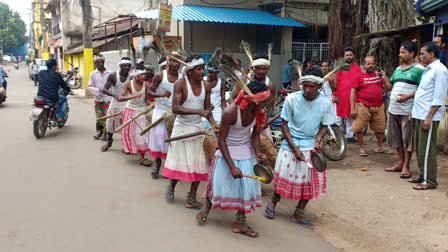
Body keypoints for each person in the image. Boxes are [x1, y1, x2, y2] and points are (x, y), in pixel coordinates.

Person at [197, 81, 270, 238]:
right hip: (226, 151)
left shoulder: (259, 112)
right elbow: (221, 140)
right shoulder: (230, 112)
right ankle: (208, 206)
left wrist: (257, 153)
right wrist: (231, 167)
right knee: (219, 184)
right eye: (264, 100)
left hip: (245, 151)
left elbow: (256, 135)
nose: (267, 103)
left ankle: (239, 223)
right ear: (254, 100)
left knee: (246, 188)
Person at [264, 66, 333, 231]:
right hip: (290, 145)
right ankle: (273, 201)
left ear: (319, 86)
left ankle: (298, 213)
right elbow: (284, 124)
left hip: (311, 147)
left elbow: (325, 125)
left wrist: (320, 137)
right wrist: (294, 148)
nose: (307, 90)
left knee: (310, 183)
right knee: (284, 179)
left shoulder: (325, 103)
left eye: (311, 87)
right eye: (304, 86)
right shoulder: (291, 99)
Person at [163, 56, 218, 209]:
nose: (203, 72)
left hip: (198, 128)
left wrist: (213, 124)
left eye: (203, 68)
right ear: (190, 71)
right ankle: (172, 185)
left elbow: (207, 109)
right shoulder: (181, 83)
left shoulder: (206, 86)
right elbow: (176, 108)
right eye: (199, 69)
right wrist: (200, 111)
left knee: (200, 165)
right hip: (181, 127)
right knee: (180, 163)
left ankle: (191, 198)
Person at [381, 42, 425, 178]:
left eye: (403, 52)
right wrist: (384, 78)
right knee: (395, 138)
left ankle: (406, 165)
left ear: (412, 54)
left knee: (407, 140)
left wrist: (408, 96)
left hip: (408, 111)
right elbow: (390, 87)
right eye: (400, 52)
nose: (400, 55)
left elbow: (422, 89)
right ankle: (400, 162)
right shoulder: (398, 69)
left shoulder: (419, 69)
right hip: (393, 109)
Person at [408, 42, 448, 190]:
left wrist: (430, 116)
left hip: (428, 116)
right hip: (420, 114)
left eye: (423, 53)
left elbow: (439, 96)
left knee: (426, 149)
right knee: (419, 148)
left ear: (431, 54)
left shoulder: (440, 70)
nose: (420, 56)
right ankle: (422, 175)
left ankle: (430, 181)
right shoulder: (428, 69)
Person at [147, 52, 183, 179]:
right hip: (161, 111)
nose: (176, 64)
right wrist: (161, 95)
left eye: (178, 61)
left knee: (172, 141)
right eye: (173, 61)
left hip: (176, 112)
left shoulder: (183, 77)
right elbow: (149, 92)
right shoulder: (160, 76)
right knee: (159, 140)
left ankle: (169, 167)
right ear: (168, 62)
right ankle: (157, 165)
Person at [350, 56, 388, 157]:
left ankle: (379, 146)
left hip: (379, 105)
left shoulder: (379, 75)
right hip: (363, 105)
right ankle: (362, 148)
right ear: (364, 65)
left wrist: (384, 77)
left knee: (381, 129)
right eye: (368, 64)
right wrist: (352, 109)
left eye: (372, 63)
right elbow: (352, 93)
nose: (371, 66)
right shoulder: (358, 76)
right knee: (358, 128)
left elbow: (388, 87)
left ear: (375, 64)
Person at [119, 70, 152, 166]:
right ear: (136, 76)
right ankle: (129, 147)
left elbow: (147, 100)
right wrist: (132, 97)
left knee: (142, 134)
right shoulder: (128, 84)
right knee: (130, 133)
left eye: (145, 74)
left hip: (142, 111)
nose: (144, 76)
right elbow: (121, 97)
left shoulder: (146, 85)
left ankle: (142, 157)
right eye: (142, 74)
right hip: (130, 110)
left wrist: (152, 105)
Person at [100, 57, 132, 152]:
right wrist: (115, 95)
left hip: (126, 103)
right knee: (110, 123)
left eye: (129, 65)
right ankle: (109, 142)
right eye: (125, 65)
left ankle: (125, 145)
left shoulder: (131, 77)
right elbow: (104, 89)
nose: (127, 67)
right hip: (115, 102)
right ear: (120, 66)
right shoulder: (113, 75)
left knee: (126, 125)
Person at [334, 47, 362, 143]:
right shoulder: (340, 68)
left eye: (350, 55)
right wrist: (335, 95)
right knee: (337, 117)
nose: (349, 57)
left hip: (352, 96)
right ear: (344, 56)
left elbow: (360, 82)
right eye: (347, 55)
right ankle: (334, 136)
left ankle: (349, 136)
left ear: (353, 55)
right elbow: (335, 81)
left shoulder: (358, 68)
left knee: (351, 116)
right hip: (340, 96)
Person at [88, 54, 112, 141]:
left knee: (107, 116)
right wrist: (98, 91)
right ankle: (100, 132)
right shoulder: (93, 74)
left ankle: (106, 134)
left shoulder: (109, 73)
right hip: (98, 99)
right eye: (98, 62)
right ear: (96, 63)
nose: (100, 64)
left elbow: (112, 86)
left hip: (108, 99)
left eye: (102, 62)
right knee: (99, 116)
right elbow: (90, 86)